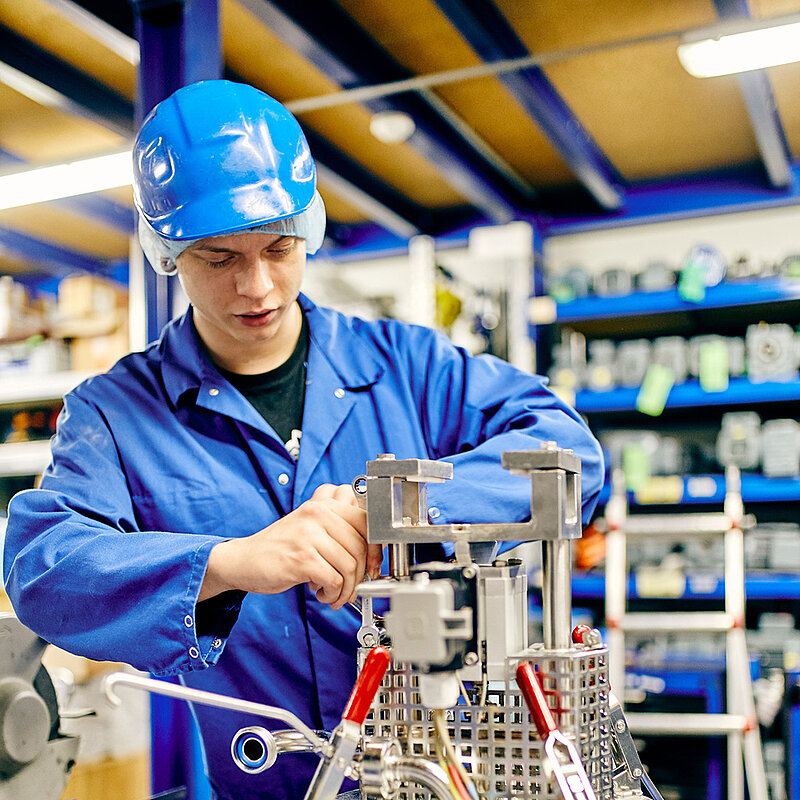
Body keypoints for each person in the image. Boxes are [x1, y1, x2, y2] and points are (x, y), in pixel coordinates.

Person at [3, 79, 604, 800]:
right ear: (167, 251)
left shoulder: (407, 365)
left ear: (310, 226)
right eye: (219, 257)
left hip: (442, 777)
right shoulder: (117, 414)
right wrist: (229, 562)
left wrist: (394, 511)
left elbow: (567, 452)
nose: (256, 286)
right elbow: (43, 570)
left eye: (280, 246)